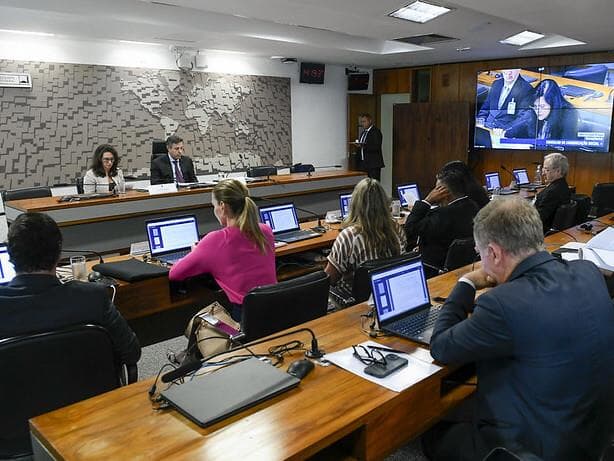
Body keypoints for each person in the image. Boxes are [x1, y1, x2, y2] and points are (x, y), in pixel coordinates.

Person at [425, 198, 614, 460]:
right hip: (594, 436)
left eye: (481, 255)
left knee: (434, 434)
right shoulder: (588, 272)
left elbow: (441, 346)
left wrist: (466, 282)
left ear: (494, 253)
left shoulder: (501, 304)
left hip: (533, 450)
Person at [0, 212, 140, 366]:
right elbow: (132, 353)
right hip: (94, 389)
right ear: (59, 252)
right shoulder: (93, 297)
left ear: (10, 255)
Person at [169, 179, 276, 322]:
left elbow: (175, 274)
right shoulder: (265, 230)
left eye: (213, 205)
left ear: (222, 206)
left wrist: (195, 252)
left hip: (246, 316)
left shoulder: (215, 240)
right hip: (276, 307)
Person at [325, 178, 406, 292]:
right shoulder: (397, 229)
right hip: (391, 291)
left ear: (354, 204)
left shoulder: (349, 237)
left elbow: (329, 280)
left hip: (356, 301)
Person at [404, 168, 479, 276]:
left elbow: (410, 228)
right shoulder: (473, 207)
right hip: (463, 267)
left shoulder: (441, 215)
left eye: (436, 189)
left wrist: (427, 200)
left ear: (444, 192)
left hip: (432, 269)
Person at [504, 79, 578, 144]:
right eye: (536, 106)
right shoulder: (532, 111)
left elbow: (567, 145)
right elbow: (512, 130)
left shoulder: (568, 113)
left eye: (542, 106)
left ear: (553, 105)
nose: (538, 111)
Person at [534, 152, 571, 233]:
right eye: (543, 169)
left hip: (538, 232)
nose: (543, 173)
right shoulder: (563, 186)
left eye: (546, 170)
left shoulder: (552, 192)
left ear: (558, 171)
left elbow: (538, 218)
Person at [353, 113, 384, 181]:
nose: (362, 124)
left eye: (364, 121)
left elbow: (376, 147)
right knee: (363, 185)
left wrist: (363, 146)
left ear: (370, 121)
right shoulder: (363, 132)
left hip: (373, 164)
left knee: (373, 185)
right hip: (363, 164)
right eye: (361, 122)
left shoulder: (376, 132)